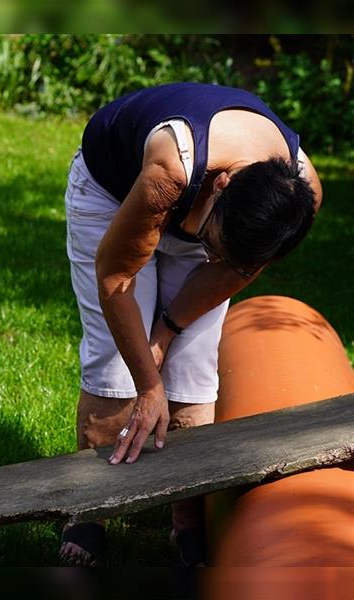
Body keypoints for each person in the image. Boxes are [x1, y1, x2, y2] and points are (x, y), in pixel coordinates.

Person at [60, 82, 322, 566]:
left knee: (194, 372)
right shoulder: (170, 166)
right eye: (215, 246)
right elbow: (116, 276)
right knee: (115, 365)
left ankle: (187, 524)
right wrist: (146, 382)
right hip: (113, 196)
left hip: (205, 212)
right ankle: (88, 511)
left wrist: (165, 336)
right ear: (221, 186)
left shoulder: (297, 197)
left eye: (225, 258)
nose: (213, 259)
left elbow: (235, 264)